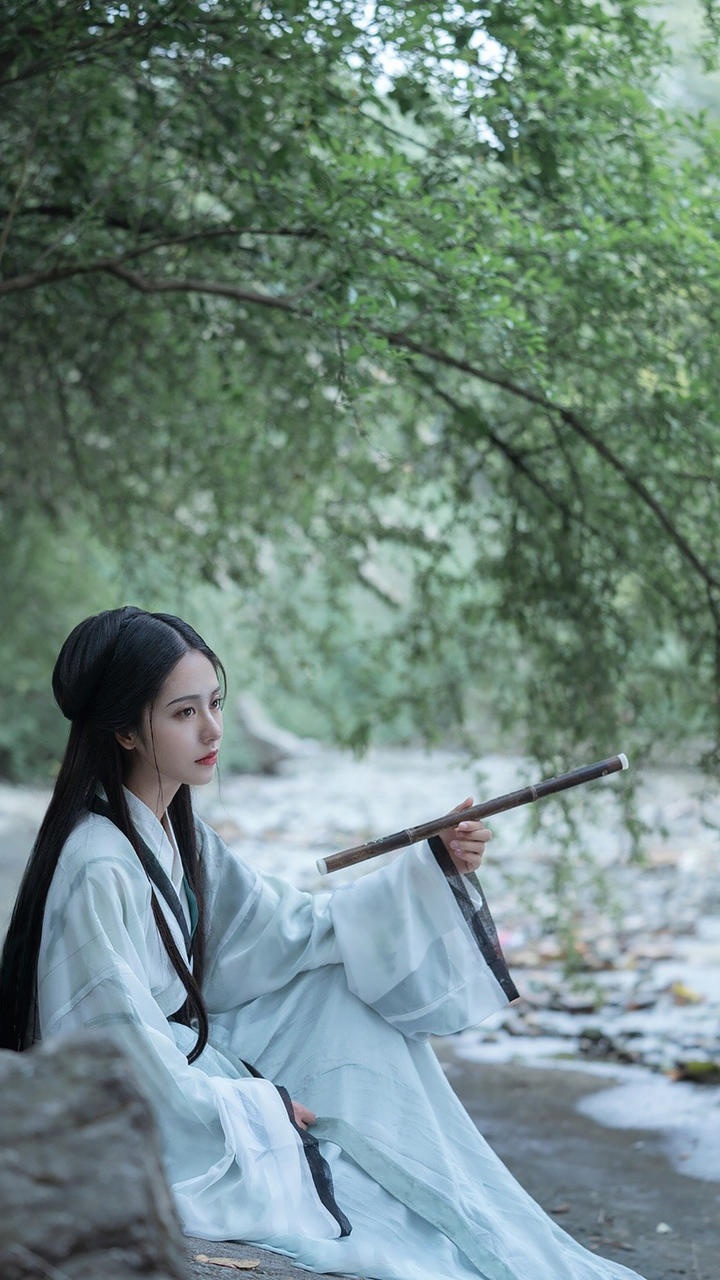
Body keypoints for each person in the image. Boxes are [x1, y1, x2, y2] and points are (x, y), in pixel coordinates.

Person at [0, 607, 647, 1280]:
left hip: (189, 1064)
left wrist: (434, 862)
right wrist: (258, 1109)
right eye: (184, 713)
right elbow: (111, 1052)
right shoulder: (98, 862)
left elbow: (287, 931)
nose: (213, 730)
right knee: (376, 1210)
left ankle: (455, 1196)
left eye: (215, 703)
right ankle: (441, 1201)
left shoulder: (179, 835)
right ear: (126, 731)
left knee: (341, 989)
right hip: (165, 1102)